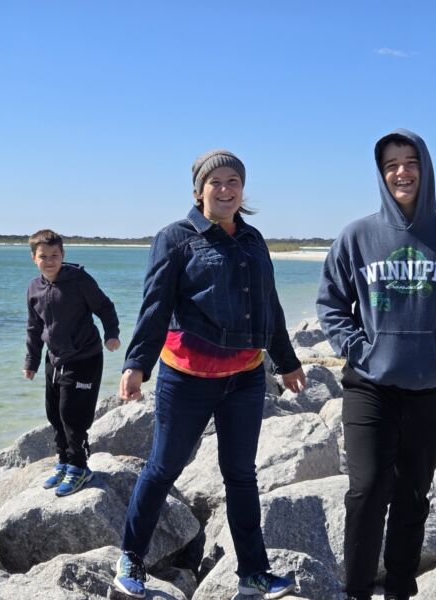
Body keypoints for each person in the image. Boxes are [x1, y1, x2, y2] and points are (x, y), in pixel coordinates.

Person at [113, 150, 306, 599]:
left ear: (242, 189)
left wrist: (287, 361)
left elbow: (269, 305)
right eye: (215, 181)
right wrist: (136, 364)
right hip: (187, 378)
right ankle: (131, 558)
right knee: (163, 468)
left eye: (233, 180)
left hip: (246, 378)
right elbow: (156, 305)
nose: (225, 189)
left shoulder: (254, 239)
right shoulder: (175, 238)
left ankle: (253, 574)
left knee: (241, 475)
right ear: (199, 190)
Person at [316, 130, 436, 600]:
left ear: (425, 168)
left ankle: (399, 590)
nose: (402, 172)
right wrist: (360, 349)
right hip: (369, 385)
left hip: (431, 386)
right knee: (367, 490)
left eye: (410, 161)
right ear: (381, 174)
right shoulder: (357, 235)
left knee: (413, 493)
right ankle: (355, 591)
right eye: (391, 164)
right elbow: (331, 304)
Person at [23, 229, 121, 497]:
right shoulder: (34, 288)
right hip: (55, 359)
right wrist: (31, 360)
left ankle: (80, 467)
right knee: (54, 413)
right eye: (43, 256)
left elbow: (105, 307)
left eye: (55, 255)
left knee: (72, 415)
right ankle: (64, 461)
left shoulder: (79, 280)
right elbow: (34, 327)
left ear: (63, 254)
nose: (50, 261)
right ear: (33, 258)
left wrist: (111, 334)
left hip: (84, 358)